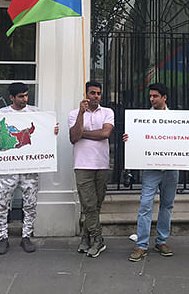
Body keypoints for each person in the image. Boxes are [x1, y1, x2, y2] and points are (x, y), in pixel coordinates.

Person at [0, 82, 59, 255]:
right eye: (21, 96)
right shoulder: (2, 113)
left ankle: (26, 236)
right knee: (2, 202)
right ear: (11, 97)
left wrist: (52, 130)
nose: (25, 99)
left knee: (30, 203)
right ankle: (3, 237)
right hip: (8, 168)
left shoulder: (35, 112)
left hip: (29, 168)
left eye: (26, 95)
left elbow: (44, 132)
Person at [126, 83, 178, 262]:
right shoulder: (143, 118)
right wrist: (129, 138)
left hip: (171, 168)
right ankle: (141, 245)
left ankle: (161, 241)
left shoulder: (177, 118)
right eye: (150, 96)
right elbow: (137, 139)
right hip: (151, 168)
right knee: (145, 205)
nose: (152, 99)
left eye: (155, 96)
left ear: (164, 98)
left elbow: (186, 137)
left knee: (167, 205)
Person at [69, 81, 114, 258]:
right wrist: (81, 113)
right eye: (93, 93)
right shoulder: (74, 114)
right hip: (82, 165)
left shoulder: (107, 112)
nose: (96, 96)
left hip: (101, 164)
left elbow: (105, 134)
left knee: (95, 205)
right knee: (88, 204)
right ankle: (98, 239)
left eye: (98, 93)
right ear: (86, 94)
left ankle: (85, 237)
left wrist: (84, 134)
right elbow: (73, 137)